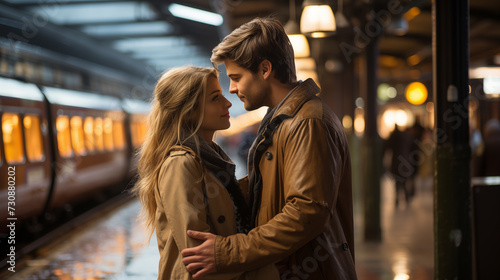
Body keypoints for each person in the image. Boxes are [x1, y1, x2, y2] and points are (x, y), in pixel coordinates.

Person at [181, 18, 358, 279]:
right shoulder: (284, 119)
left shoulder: (307, 123)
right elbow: (272, 186)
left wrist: (228, 252)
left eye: (236, 77)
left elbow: (306, 213)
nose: (232, 89)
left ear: (265, 69)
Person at [132, 66, 279, 280]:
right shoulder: (180, 164)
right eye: (215, 98)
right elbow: (198, 254)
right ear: (189, 110)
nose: (228, 103)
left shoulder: (210, 158)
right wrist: (261, 262)